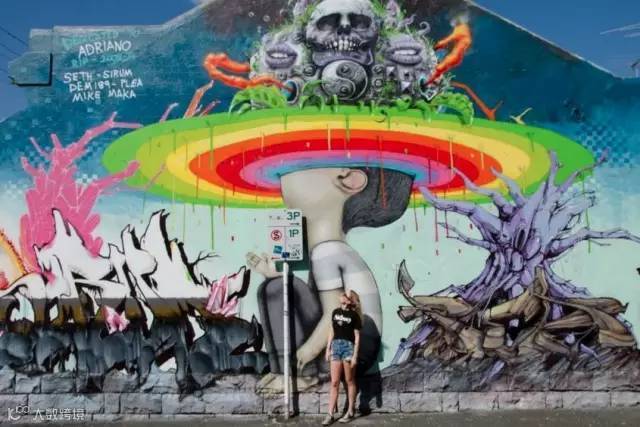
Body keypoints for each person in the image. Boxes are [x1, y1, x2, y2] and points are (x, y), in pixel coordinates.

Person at [323, 290, 362, 425]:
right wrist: (328, 349)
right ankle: (330, 414)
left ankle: (350, 411)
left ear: (349, 300)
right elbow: (332, 331)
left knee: (349, 380)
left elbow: (357, 337)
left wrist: (355, 355)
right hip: (336, 347)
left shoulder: (354, 316)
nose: (342, 295)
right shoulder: (335, 312)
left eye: (345, 295)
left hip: (348, 348)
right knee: (334, 382)